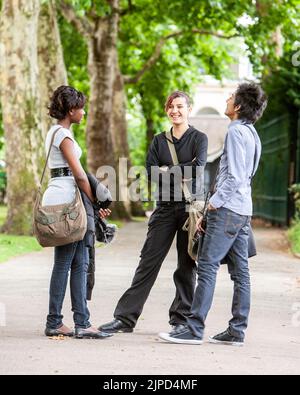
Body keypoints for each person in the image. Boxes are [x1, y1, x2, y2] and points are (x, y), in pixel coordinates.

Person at [159, 82, 268, 346]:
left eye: (231, 97)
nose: (228, 100)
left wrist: (212, 205)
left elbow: (235, 177)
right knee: (241, 273)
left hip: (228, 209)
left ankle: (194, 328)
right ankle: (236, 330)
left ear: (239, 106)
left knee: (206, 266)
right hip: (243, 210)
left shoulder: (235, 132)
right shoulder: (252, 133)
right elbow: (247, 175)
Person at [99, 91, 208, 334]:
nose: (175, 111)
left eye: (180, 106)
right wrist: (179, 168)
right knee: (148, 262)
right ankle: (125, 319)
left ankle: (181, 319)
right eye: (170, 106)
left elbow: (197, 169)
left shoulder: (199, 138)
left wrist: (167, 169)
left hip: (191, 209)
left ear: (189, 109)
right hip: (164, 208)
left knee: (187, 265)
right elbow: (150, 173)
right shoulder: (159, 140)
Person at [43, 85, 112, 339]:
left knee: (80, 261)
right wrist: (94, 203)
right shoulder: (63, 135)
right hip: (68, 202)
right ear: (72, 110)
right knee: (66, 262)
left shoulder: (54, 133)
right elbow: (80, 175)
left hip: (64, 198)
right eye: (81, 108)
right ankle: (57, 321)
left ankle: (80, 321)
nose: (84, 112)